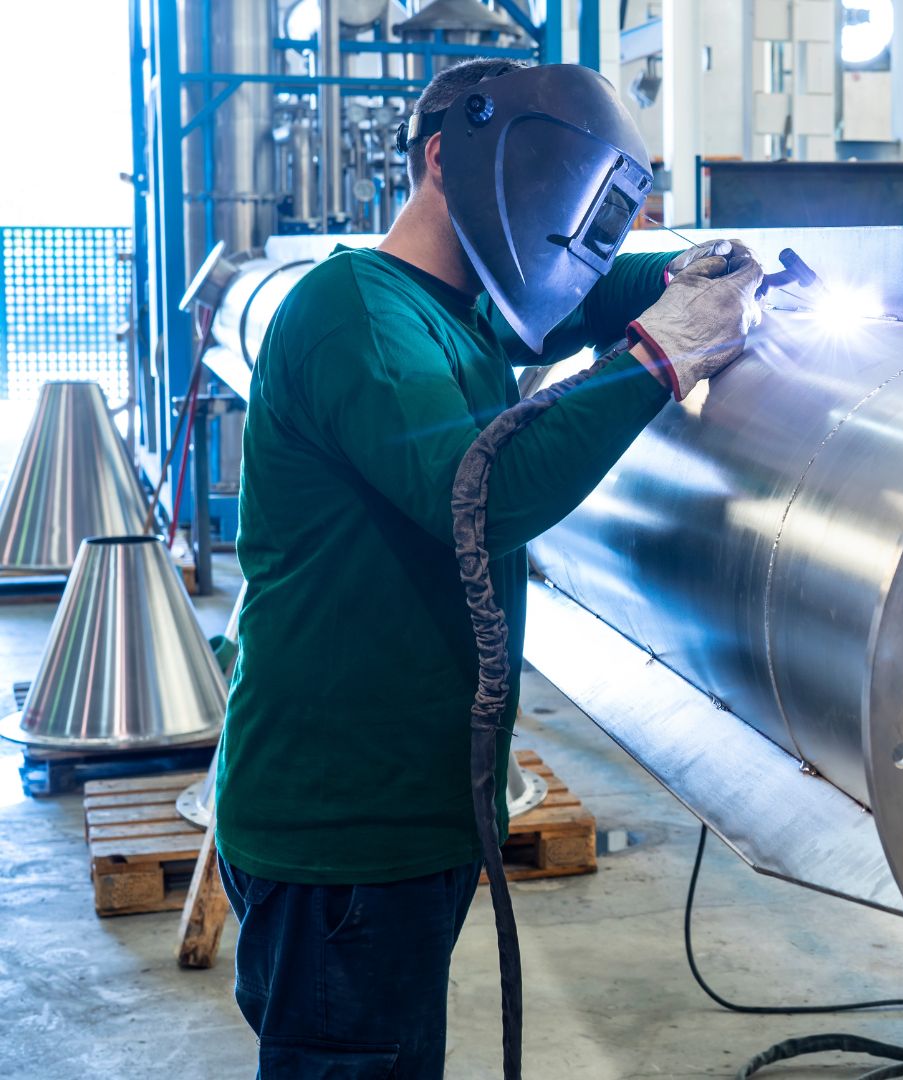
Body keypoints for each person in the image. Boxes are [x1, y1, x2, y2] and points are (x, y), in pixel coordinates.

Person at [212, 58, 762, 1078]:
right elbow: (485, 498)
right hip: (341, 835)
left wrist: (711, 273)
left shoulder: (462, 309)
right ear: (441, 160)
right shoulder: (359, 314)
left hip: (407, 824)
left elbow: (609, 289)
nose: (572, 252)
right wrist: (656, 359)